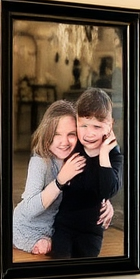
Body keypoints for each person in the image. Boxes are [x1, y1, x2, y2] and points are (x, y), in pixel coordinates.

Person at [50, 88, 123, 259]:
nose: (89, 133)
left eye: (97, 126)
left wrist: (103, 154)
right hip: (63, 227)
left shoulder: (113, 156)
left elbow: (107, 190)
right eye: (83, 125)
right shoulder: (72, 148)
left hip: (91, 232)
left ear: (110, 125)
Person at [12, 100, 83, 256]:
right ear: (47, 134)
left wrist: (106, 204)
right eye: (56, 134)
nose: (64, 142)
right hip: (25, 227)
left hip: (54, 229)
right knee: (47, 250)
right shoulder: (40, 161)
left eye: (71, 134)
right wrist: (60, 182)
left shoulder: (76, 158)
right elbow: (29, 208)